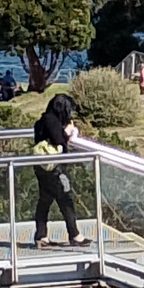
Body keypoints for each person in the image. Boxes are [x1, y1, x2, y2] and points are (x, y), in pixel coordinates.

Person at [32, 94, 90, 248]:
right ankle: (74, 235)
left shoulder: (41, 121)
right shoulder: (52, 121)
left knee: (45, 200)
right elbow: (60, 142)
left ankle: (41, 236)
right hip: (53, 169)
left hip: (41, 166)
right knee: (65, 199)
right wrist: (68, 132)